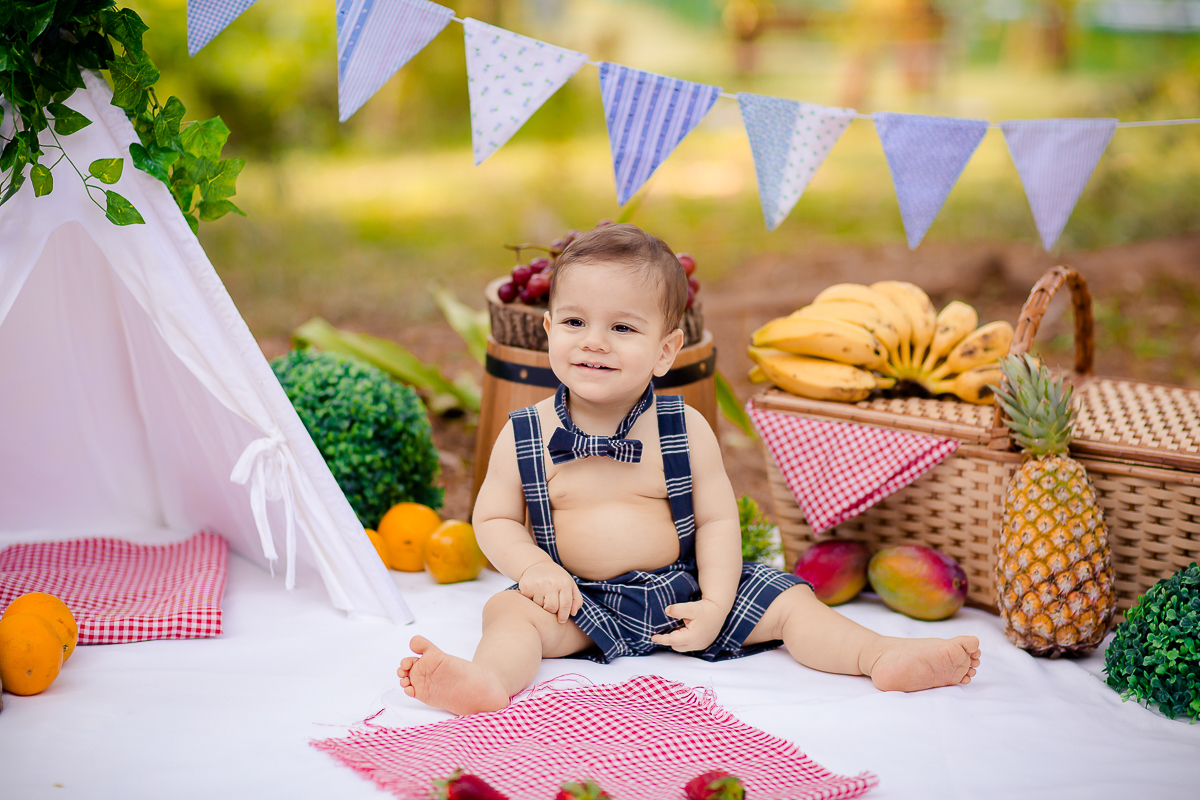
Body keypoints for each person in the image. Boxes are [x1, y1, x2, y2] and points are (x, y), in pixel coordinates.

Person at [398, 224, 980, 715]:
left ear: (665, 351)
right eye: (575, 323)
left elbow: (718, 522)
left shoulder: (684, 427)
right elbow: (494, 517)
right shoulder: (526, 431)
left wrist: (717, 603)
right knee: (507, 613)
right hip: (577, 600)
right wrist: (533, 571)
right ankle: (488, 684)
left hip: (687, 586)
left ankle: (881, 656)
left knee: (791, 604)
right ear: (548, 331)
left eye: (622, 328)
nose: (594, 342)